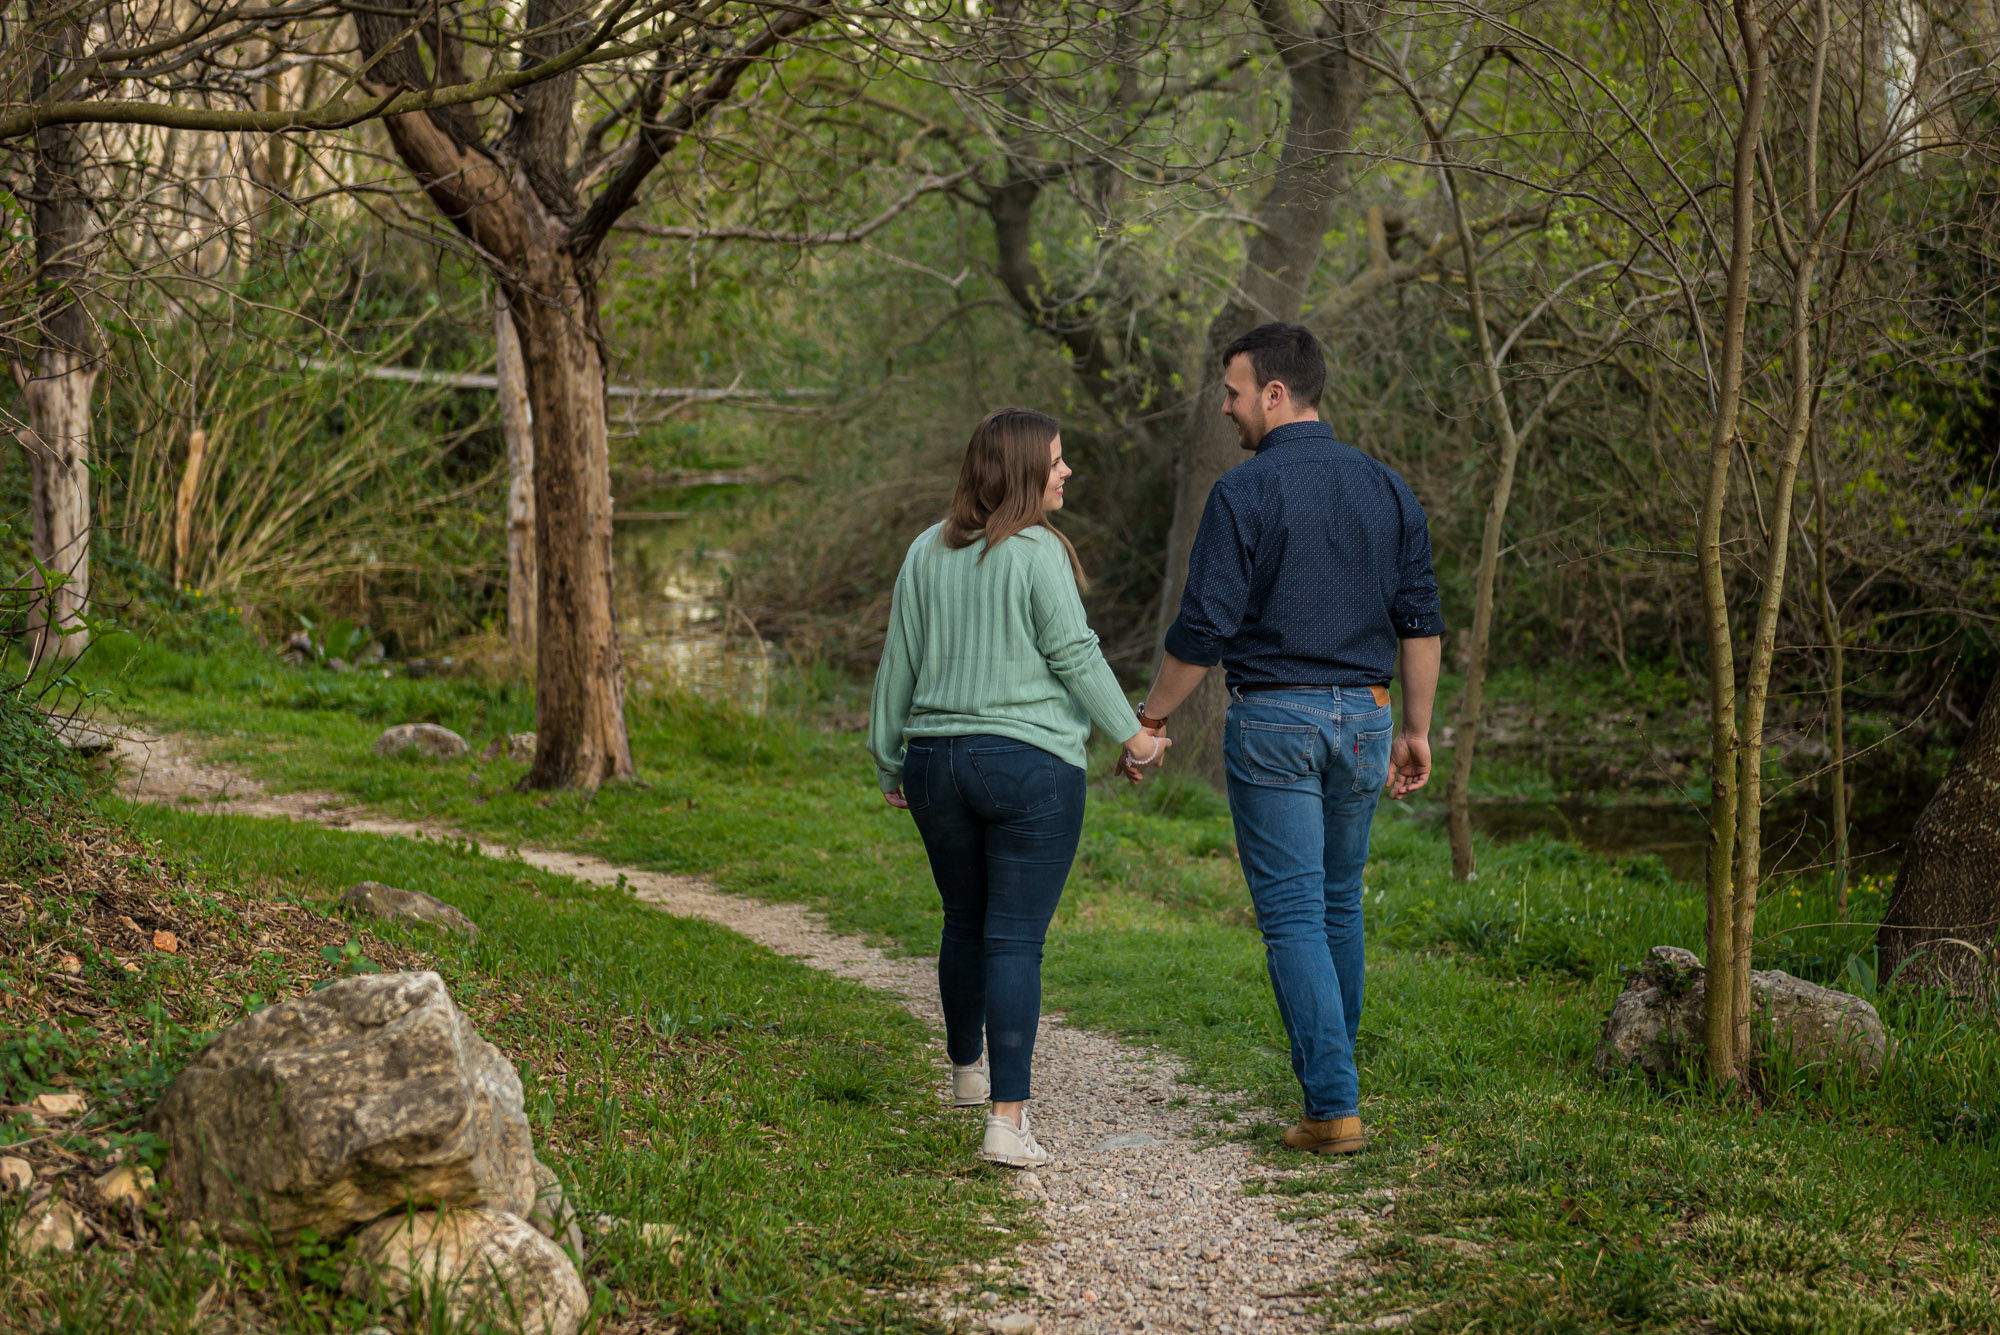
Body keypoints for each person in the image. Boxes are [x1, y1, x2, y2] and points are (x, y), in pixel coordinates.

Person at [1128, 323, 1443, 1155]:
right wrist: (1415, 728)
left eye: (1233, 392)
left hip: (1277, 720)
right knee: (1338, 903)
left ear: (1274, 393)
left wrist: (1152, 720)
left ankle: (1332, 1104)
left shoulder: (1244, 494)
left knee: (1298, 915)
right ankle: (1331, 1089)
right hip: (1368, 716)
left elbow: (1203, 628)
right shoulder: (1387, 487)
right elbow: (1421, 621)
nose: (1226, 408)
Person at [869, 407, 1169, 1168]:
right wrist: (1132, 735)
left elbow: (896, 666)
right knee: (1012, 938)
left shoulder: (921, 552)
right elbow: (1074, 652)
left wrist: (889, 760)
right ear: (1022, 472)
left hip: (935, 763)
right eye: (1057, 461)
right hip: (1027, 766)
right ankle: (1007, 1121)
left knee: (964, 919)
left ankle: (968, 1071)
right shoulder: (1037, 552)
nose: (1066, 472)